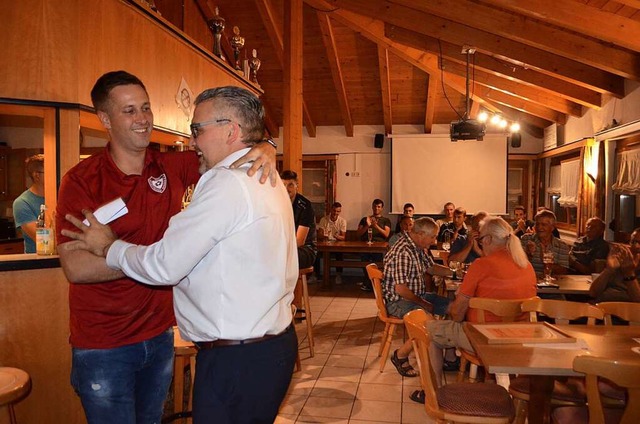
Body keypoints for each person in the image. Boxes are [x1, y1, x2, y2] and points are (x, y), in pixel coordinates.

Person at [61, 86, 297, 423]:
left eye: (145, 107)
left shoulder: (195, 171)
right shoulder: (81, 180)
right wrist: (262, 145)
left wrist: (112, 248)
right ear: (104, 119)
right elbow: (75, 266)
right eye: (129, 110)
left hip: (185, 342)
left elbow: (166, 265)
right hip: (106, 341)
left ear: (230, 130)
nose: (143, 118)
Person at [413, 217, 536, 401]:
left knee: (429, 332)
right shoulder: (526, 265)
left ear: (487, 240)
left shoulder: (481, 265)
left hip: (483, 338)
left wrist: (457, 303)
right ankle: (456, 364)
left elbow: (456, 314)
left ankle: (434, 393)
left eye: (480, 240)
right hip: (520, 338)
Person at [382, 217, 452, 377]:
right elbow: (401, 290)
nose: (435, 241)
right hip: (399, 302)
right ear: (420, 234)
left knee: (455, 307)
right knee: (431, 325)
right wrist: (424, 303)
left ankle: (450, 357)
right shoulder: (403, 251)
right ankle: (400, 355)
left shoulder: (417, 247)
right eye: (433, 237)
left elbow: (431, 268)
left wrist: (454, 272)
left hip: (416, 295)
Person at [589, 228, 640, 303]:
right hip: (602, 306)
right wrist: (609, 270)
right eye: (633, 242)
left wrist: (629, 274)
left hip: (627, 310)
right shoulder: (620, 260)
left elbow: (637, 301)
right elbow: (593, 293)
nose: (636, 246)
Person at [281, 170, 317, 269]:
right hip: (284, 248)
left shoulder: (305, 206)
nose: (286, 189)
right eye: (283, 185)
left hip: (305, 250)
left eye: (290, 185)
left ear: (297, 185)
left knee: (279, 258)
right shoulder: (276, 204)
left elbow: (299, 241)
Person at [521, 210, 570, 278]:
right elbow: (519, 266)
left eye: (544, 225)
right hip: (530, 280)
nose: (539, 227)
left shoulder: (562, 246)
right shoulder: (526, 240)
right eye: (537, 224)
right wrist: (528, 254)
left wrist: (547, 262)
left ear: (552, 227)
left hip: (553, 284)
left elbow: (563, 271)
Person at [357, 198, 392, 291]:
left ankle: (376, 282)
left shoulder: (386, 220)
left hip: (379, 246)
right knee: (365, 260)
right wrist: (368, 225)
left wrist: (376, 226)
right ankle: (368, 282)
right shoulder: (365, 219)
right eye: (375, 206)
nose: (376, 208)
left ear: (382, 208)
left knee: (377, 261)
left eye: (379, 207)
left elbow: (386, 234)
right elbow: (359, 233)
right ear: (372, 207)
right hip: (365, 245)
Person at [12, 154, 45, 253]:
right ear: (37, 175)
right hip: (37, 263)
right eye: (50, 172)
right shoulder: (22, 203)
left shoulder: (58, 197)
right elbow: (42, 240)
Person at [317, 202, 347, 284]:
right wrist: (324, 236)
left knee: (339, 253)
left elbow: (343, 237)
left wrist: (336, 236)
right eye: (334, 211)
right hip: (325, 244)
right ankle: (315, 275)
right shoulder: (324, 219)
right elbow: (319, 234)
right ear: (331, 210)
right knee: (316, 252)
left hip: (336, 244)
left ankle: (338, 275)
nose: (335, 213)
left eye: (338, 211)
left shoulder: (342, 221)